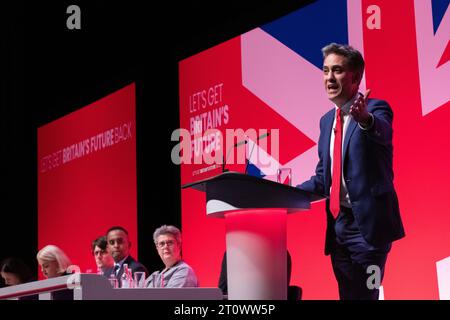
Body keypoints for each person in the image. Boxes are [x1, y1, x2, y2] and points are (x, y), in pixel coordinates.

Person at [297, 43, 405, 300]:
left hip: (369, 231)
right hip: (338, 230)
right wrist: (282, 192)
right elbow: (324, 179)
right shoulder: (326, 121)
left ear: (355, 77)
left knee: (367, 294)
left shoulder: (376, 108)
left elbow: (382, 131)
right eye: (325, 71)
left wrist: (365, 119)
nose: (329, 78)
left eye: (337, 70)